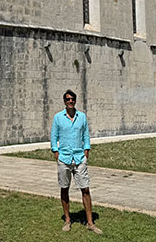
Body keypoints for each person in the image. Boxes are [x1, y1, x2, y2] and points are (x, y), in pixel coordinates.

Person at [50, 89, 102, 234]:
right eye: (68, 99)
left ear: (75, 100)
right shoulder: (58, 117)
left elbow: (86, 134)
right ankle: (67, 220)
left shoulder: (82, 117)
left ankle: (90, 223)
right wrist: (56, 152)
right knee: (64, 188)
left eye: (72, 99)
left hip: (79, 158)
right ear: (64, 101)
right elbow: (54, 136)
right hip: (64, 158)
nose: (70, 101)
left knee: (85, 189)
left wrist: (87, 150)